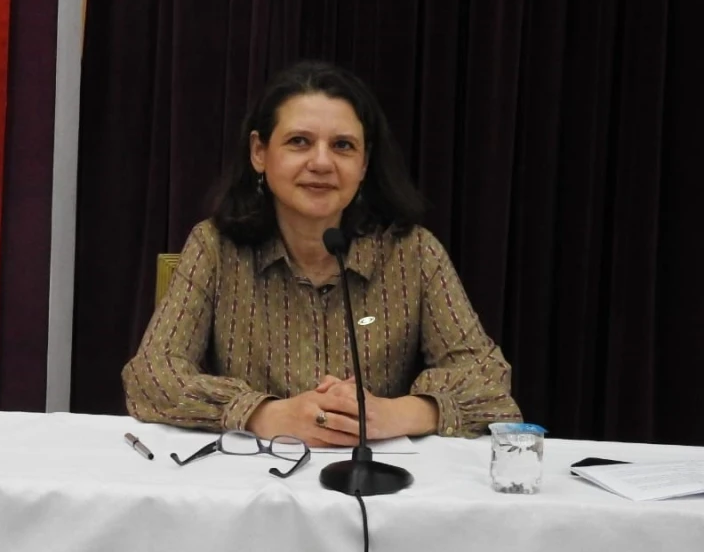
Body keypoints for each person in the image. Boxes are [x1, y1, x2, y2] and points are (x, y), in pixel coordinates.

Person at [122, 59, 520, 445]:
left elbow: (489, 382)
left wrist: (400, 413)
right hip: (255, 475)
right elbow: (150, 376)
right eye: (299, 142)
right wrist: (262, 413)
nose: (322, 162)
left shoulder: (413, 252)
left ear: (364, 163)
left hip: (373, 479)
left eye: (343, 146)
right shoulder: (215, 247)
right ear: (259, 152)